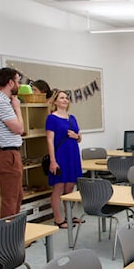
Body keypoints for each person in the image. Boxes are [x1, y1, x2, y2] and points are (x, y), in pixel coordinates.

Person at [0, 67, 25, 218]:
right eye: (17, 82)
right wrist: (17, 108)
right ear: (10, 82)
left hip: (7, 152)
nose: (19, 85)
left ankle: (14, 233)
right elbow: (19, 128)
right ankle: (8, 238)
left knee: (17, 196)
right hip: (6, 153)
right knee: (10, 199)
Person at [45, 88, 82, 228]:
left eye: (66, 98)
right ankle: (58, 218)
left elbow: (79, 137)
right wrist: (53, 161)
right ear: (55, 101)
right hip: (60, 155)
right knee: (59, 186)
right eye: (61, 98)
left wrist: (77, 136)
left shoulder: (72, 118)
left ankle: (69, 215)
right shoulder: (52, 118)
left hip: (73, 155)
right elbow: (49, 140)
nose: (65, 100)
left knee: (70, 186)